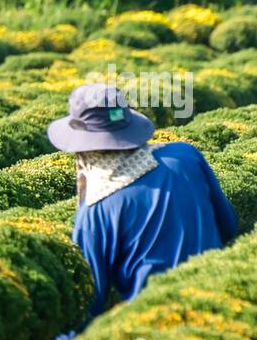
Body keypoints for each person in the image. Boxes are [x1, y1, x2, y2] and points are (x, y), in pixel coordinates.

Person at [48, 82, 237, 322]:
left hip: (155, 324)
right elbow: (228, 226)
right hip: (225, 303)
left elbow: (90, 299)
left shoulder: (95, 210)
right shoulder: (186, 155)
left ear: (83, 149)